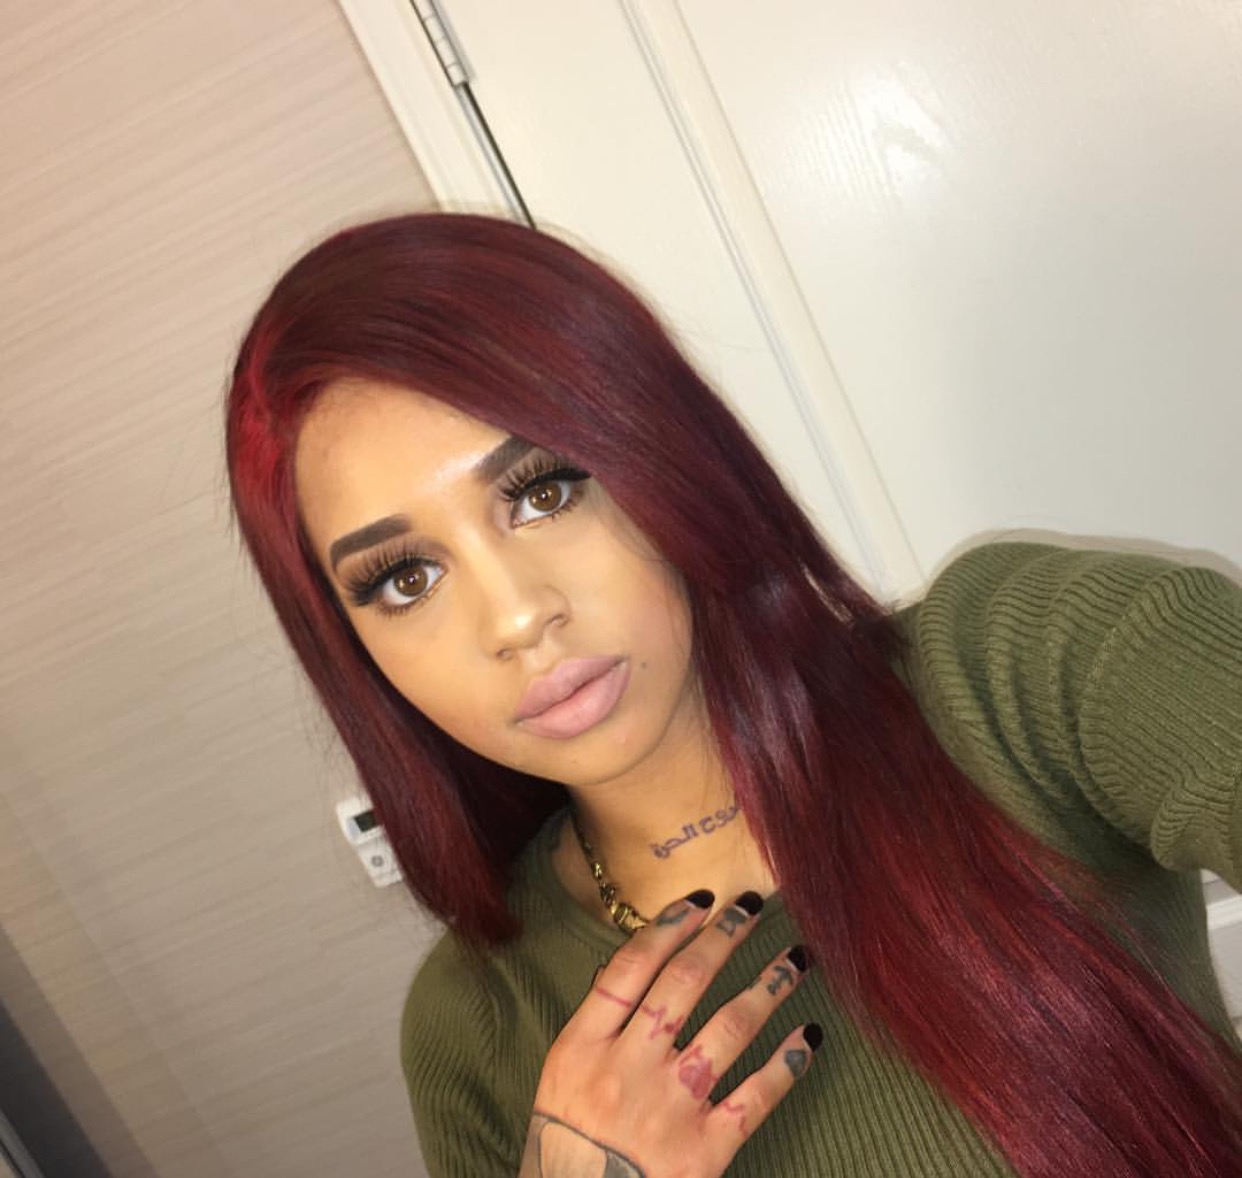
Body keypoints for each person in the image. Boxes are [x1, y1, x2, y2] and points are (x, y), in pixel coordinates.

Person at [226, 212, 1241, 1177]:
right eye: (406, 578)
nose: (518, 616)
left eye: (543, 491)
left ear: (661, 452)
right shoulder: (476, 1027)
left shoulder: (1013, 670)